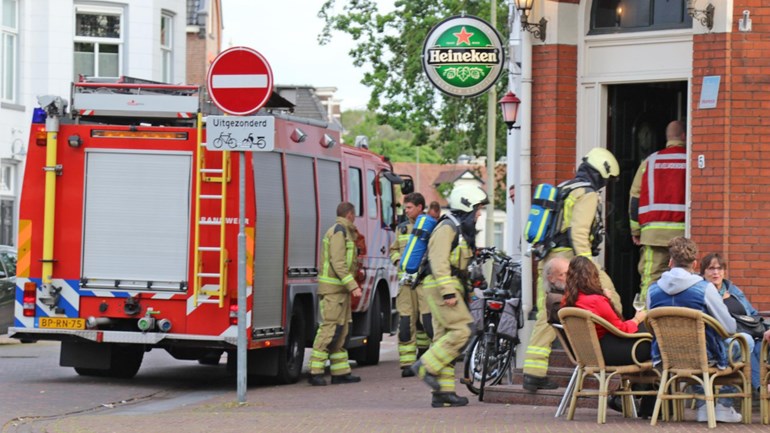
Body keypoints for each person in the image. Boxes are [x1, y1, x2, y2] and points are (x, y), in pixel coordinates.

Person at [523, 147, 623, 392]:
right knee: (610, 296)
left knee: (548, 312)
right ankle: (617, 359)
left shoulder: (566, 187)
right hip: (567, 260)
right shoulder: (587, 194)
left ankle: (533, 372)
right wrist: (589, 266)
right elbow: (579, 233)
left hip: (547, 259)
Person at [410, 184, 489, 408]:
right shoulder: (447, 228)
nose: (479, 213)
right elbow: (439, 261)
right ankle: (426, 365)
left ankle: (442, 393)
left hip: (446, 286)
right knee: (463, 330)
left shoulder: (458, 229)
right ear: (466, 206)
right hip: (440, 286)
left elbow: (460, 266)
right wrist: (448, 293)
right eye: (477, 208)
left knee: (443, 338)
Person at [647, 237, 741, 423]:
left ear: (670, 262)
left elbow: (651, 326)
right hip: (705, 355)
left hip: (667, 356)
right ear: (695, 263)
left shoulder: (652, 290)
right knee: (740, 343)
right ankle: (723, 405)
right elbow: (729, 328)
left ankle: (703, 406)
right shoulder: (704, 288)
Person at [629, 120, 687, 300]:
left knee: (650, 278)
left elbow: (635, 198)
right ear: (685, 136)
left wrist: (635, 229)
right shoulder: (690, 159)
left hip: (653, 233)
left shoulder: (650, 161)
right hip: (684, 232)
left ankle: (646, 318)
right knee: (685, 277)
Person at [308, 202, 363, 386]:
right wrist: (353, 285)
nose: (354, 218)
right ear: (349, 214)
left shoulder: (345, 231)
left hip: (340, 291)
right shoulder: (339, 231)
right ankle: (315, 371)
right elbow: (338, 263)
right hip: (334, 290)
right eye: (354, 215)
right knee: (329, 329)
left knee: (342, 331)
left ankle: (340, 372)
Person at [700, 253, 763, 399]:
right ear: (703, 271)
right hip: (721, 341)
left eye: (719, 268)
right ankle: (731, 399)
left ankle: (761, 388)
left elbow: (752, 313)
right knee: (746, 345)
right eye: (711, 268)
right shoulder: (701, 292)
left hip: (747, 335)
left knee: (759, 345)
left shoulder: (733, 290)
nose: (716, 272)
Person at [389, 192, 431, 377]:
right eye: (405, 208)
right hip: (405, 284)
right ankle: (407, 364)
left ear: (420, 207)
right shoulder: (402, 228)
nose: (406, 211)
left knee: (426, 323)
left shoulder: (431, 226)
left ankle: (425, 357)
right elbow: (393, 251)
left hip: (424, 283)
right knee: (406, 322)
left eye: (409, 207)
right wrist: (399, 262)